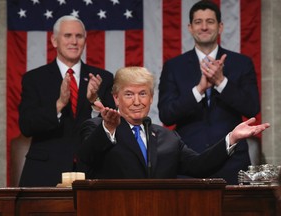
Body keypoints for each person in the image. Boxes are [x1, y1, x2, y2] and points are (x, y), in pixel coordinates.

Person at [78, 66, 268, 179]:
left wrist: (232, 138)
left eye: (143, 94)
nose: (137, 101)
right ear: (116, 98)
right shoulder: (97, 128)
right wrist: (107, 129)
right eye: (129, 94)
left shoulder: (167, 137)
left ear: (151, 98)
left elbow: (199, 166)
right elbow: (86, 159)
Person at [158, 0, 260, 184]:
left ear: (220, 27)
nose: (204, 27)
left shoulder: (241, 63)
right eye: (198, 22)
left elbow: (252, 108)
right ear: (190, 27)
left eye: (210, 21)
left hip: (232, 162)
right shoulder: (174, 66)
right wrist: (199, 90)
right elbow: (166, 115)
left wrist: (221, 82)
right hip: (188, 162)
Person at [18, 15, 115, 186]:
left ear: (85, 41)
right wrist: (59, 104)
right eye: (67, 36)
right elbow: (27, 125)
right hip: (46, 172)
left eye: (79, 36)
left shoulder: (103, 78)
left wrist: (95, 101)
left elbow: (113, 126)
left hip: (91, 169)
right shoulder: (34, 79)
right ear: (54, 41)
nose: (74, 41)